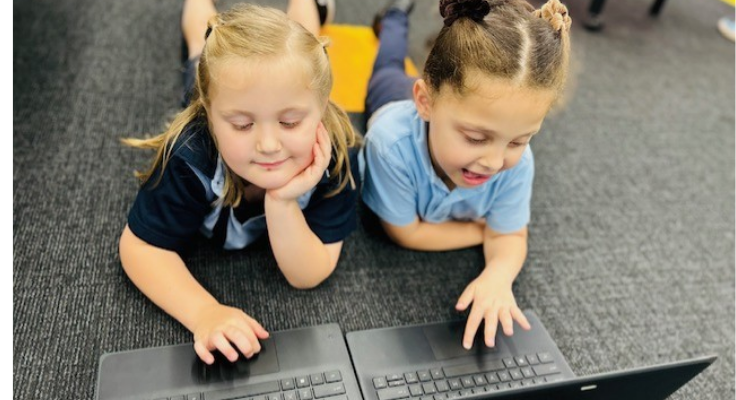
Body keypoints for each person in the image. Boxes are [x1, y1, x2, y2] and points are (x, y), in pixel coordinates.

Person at [119, 0, 361, 365]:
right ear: (211, 116)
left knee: (303, 44)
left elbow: (308, 274)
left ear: (322, 107)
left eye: (291, 122)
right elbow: (140, 248)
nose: (267, 145)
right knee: (200, 49)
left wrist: (281, 202)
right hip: (212, 83)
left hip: (275, 90)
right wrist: (203, 313)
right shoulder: (190, 153)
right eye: (243, 125)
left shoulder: (338, 154)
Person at [361, 0, 572, 350]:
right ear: (425, 102)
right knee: (388, 62)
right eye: (476, 138)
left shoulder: (517, 162)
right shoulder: (388, 146)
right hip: (391, 99)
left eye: (519, 140)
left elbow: (508, 240)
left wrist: (498, 276)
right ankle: (395, 15)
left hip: (442, 98)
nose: (493, 161)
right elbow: (407, 233)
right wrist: (485, 230)